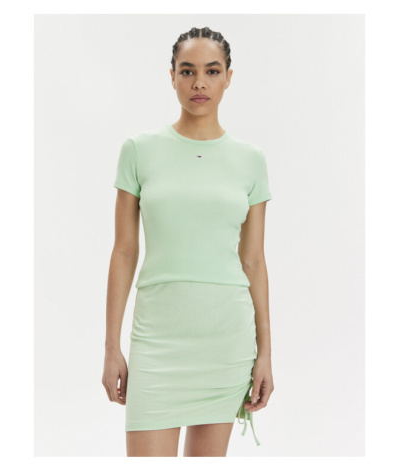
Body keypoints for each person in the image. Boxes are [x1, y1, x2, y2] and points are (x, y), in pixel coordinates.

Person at [102, 26, 274, 457]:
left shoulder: (250, 160)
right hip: (157, 338)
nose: (200, 82)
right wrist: (111, 346)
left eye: (212, 71)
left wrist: (266, 353)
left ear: (229, 77)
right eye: (188, 71)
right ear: (172, 76)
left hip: (225, 339)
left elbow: (253, 260)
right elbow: (124, 251)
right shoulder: (139, 150)